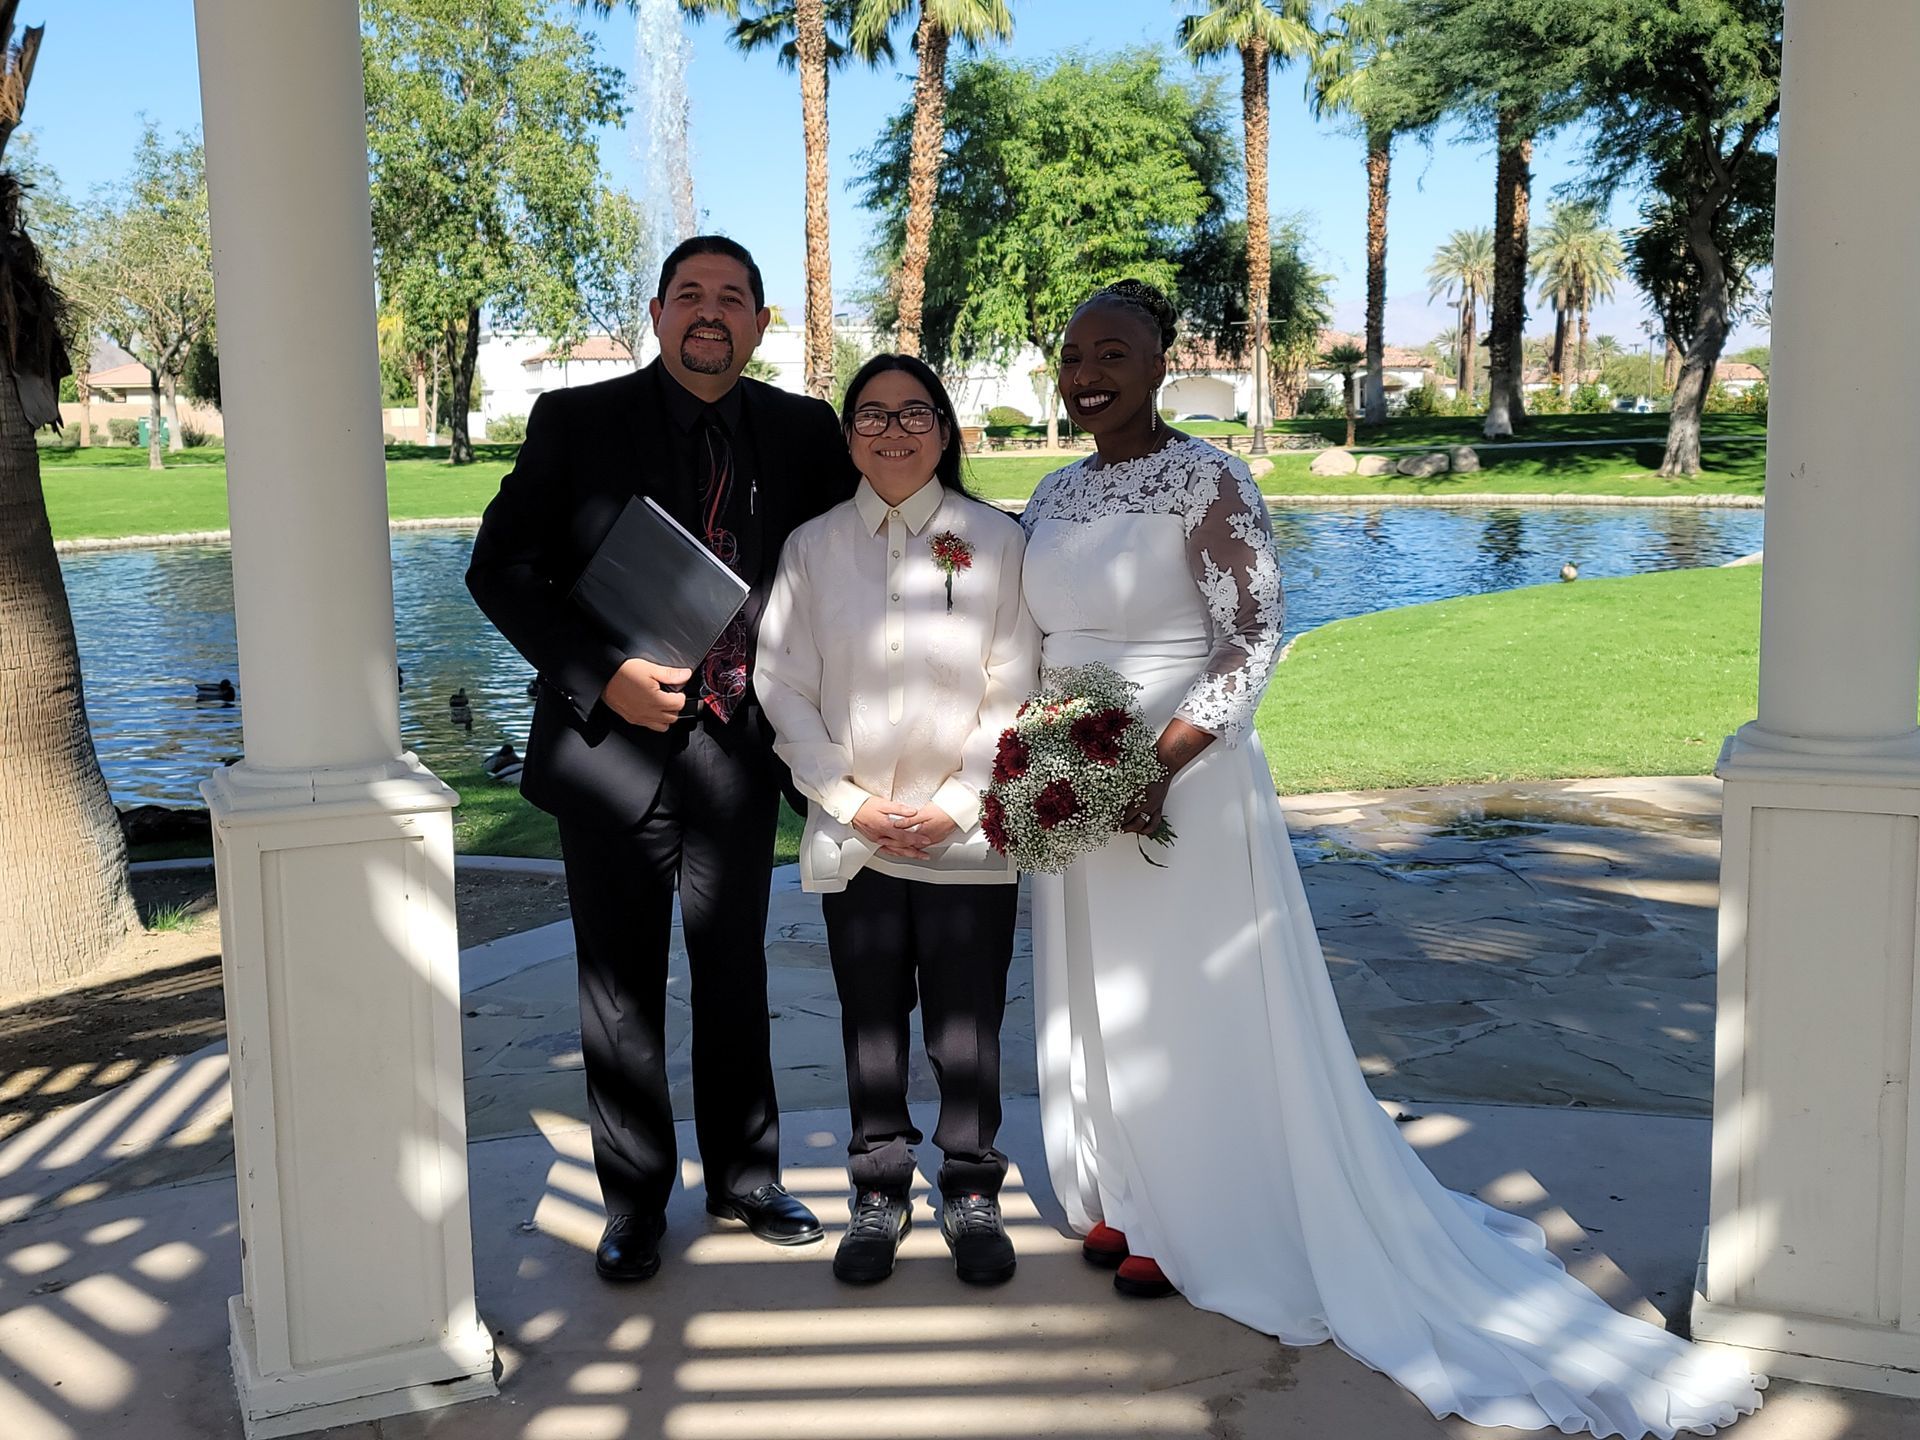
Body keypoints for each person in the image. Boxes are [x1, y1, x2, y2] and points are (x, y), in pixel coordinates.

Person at [1021, 278, 1765, 1434]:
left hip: (1183, 782)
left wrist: (1157, 763)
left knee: (1187, 1007)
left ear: (1164, 362)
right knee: (1101, 999)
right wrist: (1043, 762)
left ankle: (1207, 1217)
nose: (1088, 373)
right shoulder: (1054, 492)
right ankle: (1127, 1194)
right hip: (1074, 779)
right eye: (1073, 354)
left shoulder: (1211, 479)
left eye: (1113, 351)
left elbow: (1255, 635)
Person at [466, 236, 857, 1282]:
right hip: (610, 753)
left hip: (741, 750)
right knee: (620, 988)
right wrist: (603, 677)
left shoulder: (801, 428)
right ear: (656, 312)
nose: (710, 312)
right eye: (691, 294)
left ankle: (744, 1180)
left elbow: (866, 542)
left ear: (764, 323)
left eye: (733, 296)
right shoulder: (576, 422)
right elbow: (498, 569)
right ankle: (634, 1204)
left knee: (734, 973)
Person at [755, 355, 1039, 1286]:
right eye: (871, 416)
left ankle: (969, 1185)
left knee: (968, 1023)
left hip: (965, 831)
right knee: (871, 1018)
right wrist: (849, 800)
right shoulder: (811, 546)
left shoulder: (997, 542)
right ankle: (879, 1186)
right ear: (848, 438)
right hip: (859, 831)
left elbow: (1015, 688)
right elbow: (782, 685)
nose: (893, 431)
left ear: (946, 431)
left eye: (914, 413)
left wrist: (955, 802)